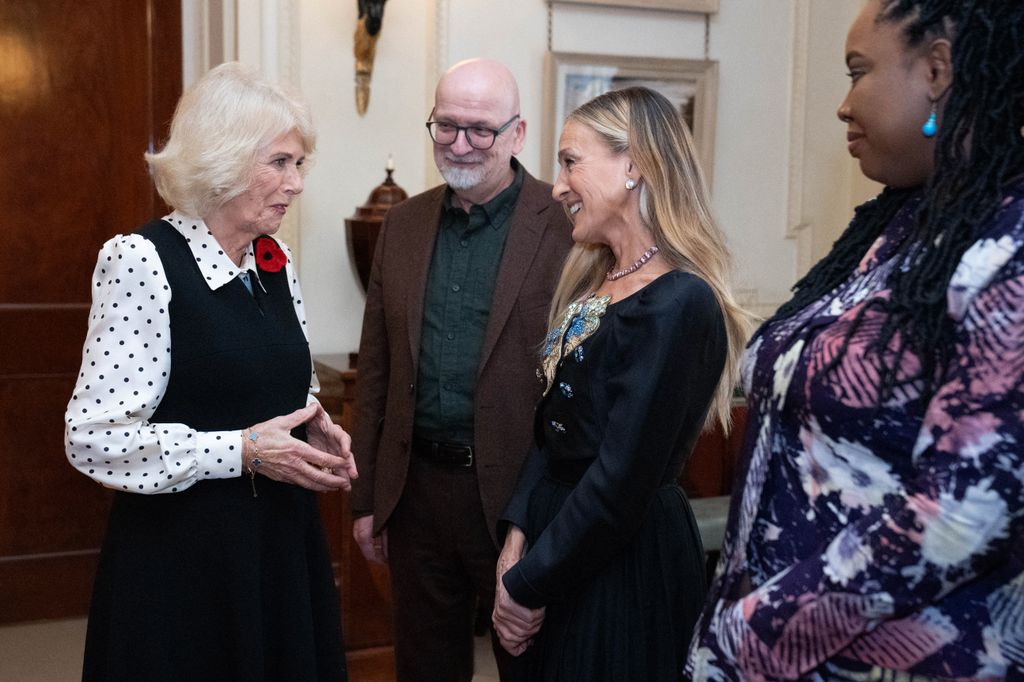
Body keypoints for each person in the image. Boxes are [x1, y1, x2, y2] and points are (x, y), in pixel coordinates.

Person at [688, 1, 1024, 679]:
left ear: (936, 70)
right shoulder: (896, 228)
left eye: (857, 72)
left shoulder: (1008, 244)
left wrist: (752, 633)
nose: (843, 105)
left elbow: (964, 510)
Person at [64, 62, 358, 681]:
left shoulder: (273, 260)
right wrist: (242, 451)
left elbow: (267, 375)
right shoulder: (141, 261)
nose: (296, 183)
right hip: (184, 563)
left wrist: (315, 420)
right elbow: (93, 437)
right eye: (280, 162)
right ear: (223, 160)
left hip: (278, 548)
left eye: (299, 164)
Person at [491, 86, 751, 681]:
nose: (556, 186)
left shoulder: (680, 302)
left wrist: (528, 582)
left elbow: (620, 483)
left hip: (620, 563)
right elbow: (551, 431)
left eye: (570, 162)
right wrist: (518, 535)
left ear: (633, 165)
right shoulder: (596, 282)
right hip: (557, 544)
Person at [348, 58, 574, 681]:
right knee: (424, 668)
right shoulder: (403, 224)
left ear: (518, 134)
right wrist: (367, 498)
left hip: (519, 504)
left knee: (531, 664)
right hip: (417, 493)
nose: (461, 144)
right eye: (446, 126)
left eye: (481, 129)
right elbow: (376, 371)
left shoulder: (567, 225)